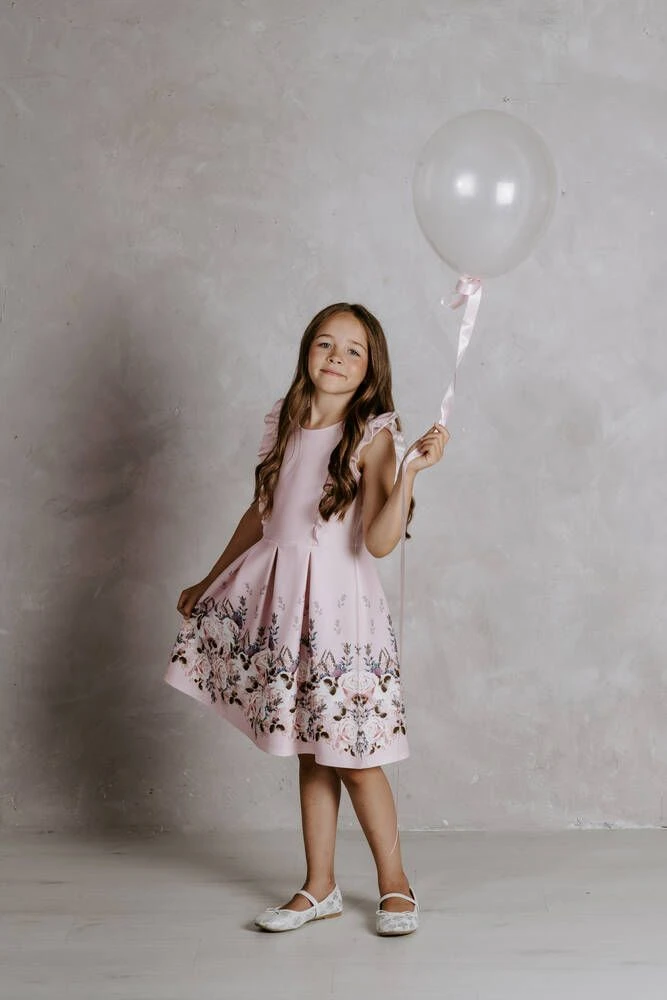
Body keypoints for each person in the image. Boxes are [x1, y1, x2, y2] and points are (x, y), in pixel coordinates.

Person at [164, 302, 449, 936]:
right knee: (312, 751)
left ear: (371, 368)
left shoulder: (372, 436)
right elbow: (261, 515)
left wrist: (409, 473)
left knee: (355, 756)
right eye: (325, 343)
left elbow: (379, 542)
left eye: (353, 350)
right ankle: (319, 886)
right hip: (289, 607)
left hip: (341, 616)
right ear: (306, 351)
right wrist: (209, 579)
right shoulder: (286, 424)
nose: (336, 357)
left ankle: (396, 883)